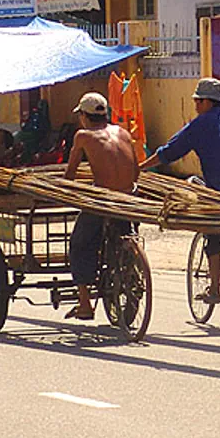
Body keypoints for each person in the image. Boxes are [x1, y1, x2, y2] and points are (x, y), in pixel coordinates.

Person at [139, 77, 220, 304]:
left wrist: (139, 168)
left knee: (212, 232)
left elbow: (169, 152)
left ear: (207, 102)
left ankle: (215, 289)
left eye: (198, 101)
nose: (196, 106)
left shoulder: (200, 124)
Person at [64, 92, 139, 321]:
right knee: (126, 233)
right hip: (128, 201)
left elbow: (69, 176)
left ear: (85, 117)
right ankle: (132, 268)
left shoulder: (83, 136)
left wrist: (70, 190)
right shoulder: (124, 133)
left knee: (79, 243)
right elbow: (135, 171)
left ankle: (85, 303)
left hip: (103, 201)